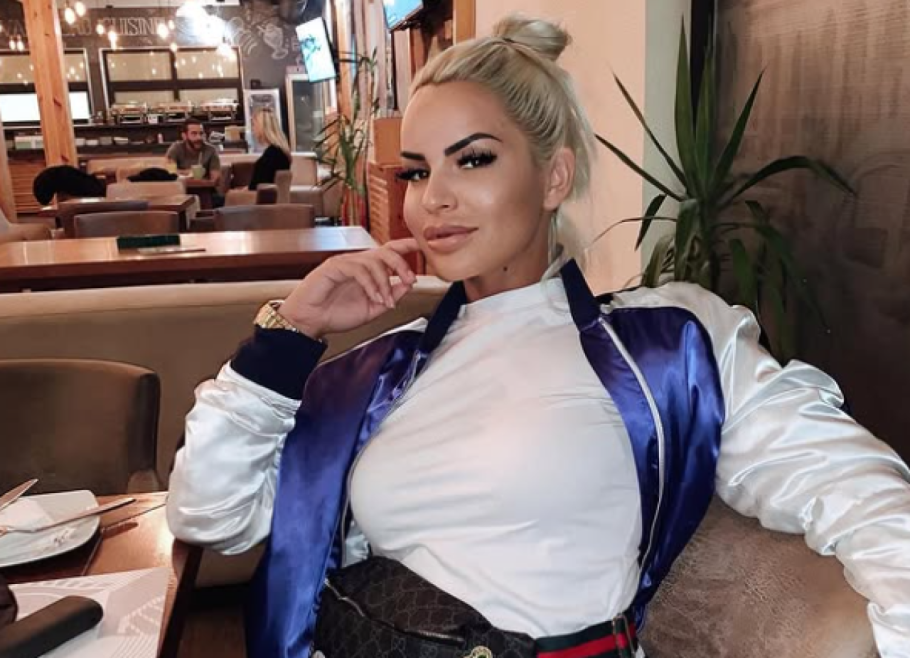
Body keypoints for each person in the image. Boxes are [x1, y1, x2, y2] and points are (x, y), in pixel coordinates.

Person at [166, 15, 910, 658]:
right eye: (417, 172)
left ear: (554, 178)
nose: (434, 199)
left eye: (474, 159)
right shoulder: (379, 371)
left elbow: (860, 496)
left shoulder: (662, 343)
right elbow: (210, 513)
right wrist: (289, 334)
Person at [165, 117, 222, 185]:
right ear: (184, 136)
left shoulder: (211, 150)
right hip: (180, 189)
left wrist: (186, 177)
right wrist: (189, 172)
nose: (199, 137)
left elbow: (215, 180)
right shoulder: (176, 148)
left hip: (205, 188)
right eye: (194, 133)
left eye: (201, 133)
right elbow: (169, 172)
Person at [247, 107, 292, 191]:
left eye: (254, 125)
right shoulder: (280, 152)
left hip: (259, 198)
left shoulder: (271, 156)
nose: (253, 129)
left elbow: (259, 188)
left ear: (262, 127)